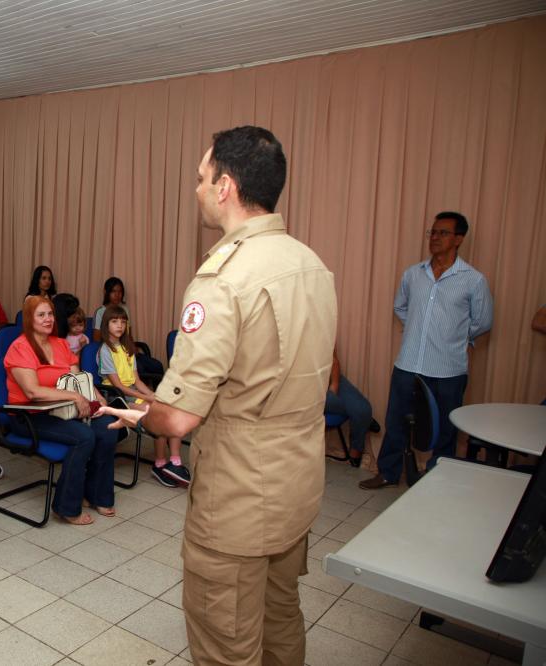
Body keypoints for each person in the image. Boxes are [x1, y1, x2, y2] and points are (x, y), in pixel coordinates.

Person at [101, 126, 337, 665]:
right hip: (296, 483)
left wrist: (141, 414)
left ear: (226, 186)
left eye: (202, 178)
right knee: (281, 623)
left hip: (237, 496)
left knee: (226, 642)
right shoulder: (312, 265)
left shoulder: (222, 278)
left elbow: (180, 418)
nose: (197, 188)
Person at [360, 211, 493, 489]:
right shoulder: (413, 274)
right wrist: (421, 329)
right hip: (408, 364)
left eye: (443, 233)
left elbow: (482, 322)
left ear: (458, 239)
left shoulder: (473, 280)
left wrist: (451, 336)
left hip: (447, 369)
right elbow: (401, 306)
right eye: (432, 232)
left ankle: (436, 481)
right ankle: (388, 472)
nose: (435, 238)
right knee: (396, 422)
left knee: (444, 428)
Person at [4, 296, 118, 524]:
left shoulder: (60, 344)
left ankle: (95, 495)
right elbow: (32, 392)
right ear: (29, 318)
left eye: (50, 314)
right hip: (29, 415)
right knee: (84, 436)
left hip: (63, 410)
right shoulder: (20, 347)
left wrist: (97, 398)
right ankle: (66, 507)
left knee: (107, 426)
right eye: (41, 315)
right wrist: (75, 396)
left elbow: (78, 378)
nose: (48, 319)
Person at [98, 305, 189, 487]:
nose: (120, 326)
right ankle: (160, 464)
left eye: (123, 322)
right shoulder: (105, 351)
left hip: (132, 392)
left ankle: (175, 461)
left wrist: (154, 394)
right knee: (158, 414)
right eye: (115, 321)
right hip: (116, 397)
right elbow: (119, 387)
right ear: (106, 325)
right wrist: (147, 398)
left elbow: (137, 381)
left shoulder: (126, 348)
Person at [325, 349, 379, 467]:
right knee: (357, 412)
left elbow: (333, 360)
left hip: (328, 377)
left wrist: (334, 386)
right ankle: (363, 419)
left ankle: (355, 451)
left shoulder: (321, 330)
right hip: (305, 386)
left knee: (363, 410)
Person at [92, 277, 127, 342]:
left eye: (120, 291)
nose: (117, 295)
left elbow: (128, 334)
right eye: (113, 291)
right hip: (107, 347)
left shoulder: (125, 309)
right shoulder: (100, 312)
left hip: (123, 347)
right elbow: (96, 338)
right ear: (105, 292)